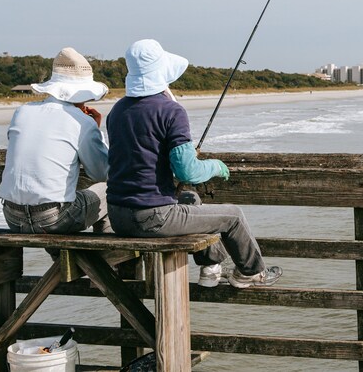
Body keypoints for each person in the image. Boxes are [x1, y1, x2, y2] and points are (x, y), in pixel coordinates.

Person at [106, 39, 281, 288]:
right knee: (233, 216)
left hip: (118, 216)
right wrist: (216, 166)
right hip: (152, 218)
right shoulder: (171, 111)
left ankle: (211, 267)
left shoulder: (117, 110)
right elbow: (188, 170)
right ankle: (251, 272)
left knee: (190, 200)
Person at [0, 47, 113, 235]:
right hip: (53, 219)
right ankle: (107, 259)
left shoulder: (22, 112)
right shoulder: (81, 121)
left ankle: (73, 263)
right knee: (109, 190)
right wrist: (95, 130)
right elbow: (102, 173)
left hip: (12, 216)